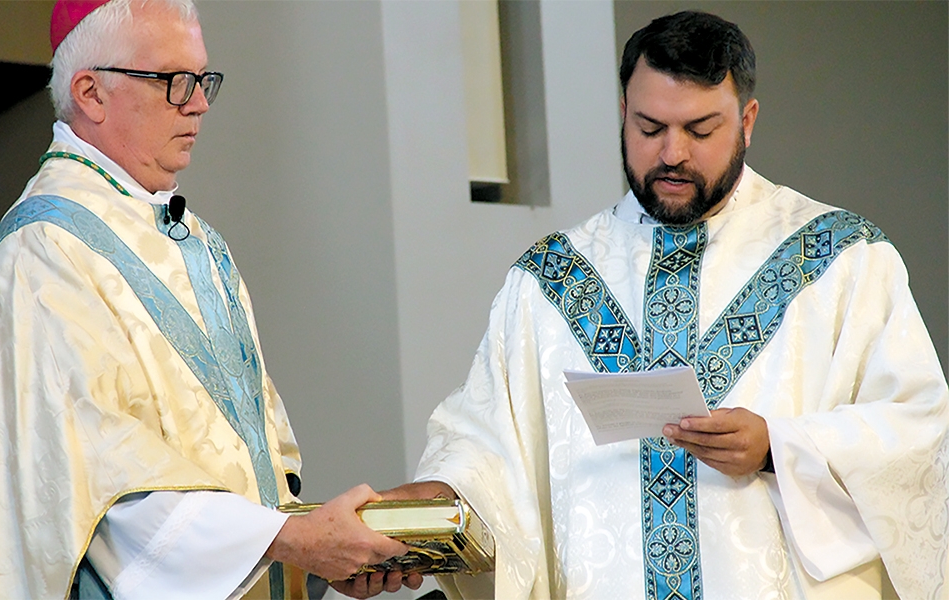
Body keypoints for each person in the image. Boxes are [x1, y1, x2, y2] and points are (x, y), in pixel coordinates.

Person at [384, 10, 949, 600]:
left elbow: (917, 428)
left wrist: (778, 448)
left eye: (700, 130)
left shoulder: (844, 261)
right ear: (623, 114)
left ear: (747, 122)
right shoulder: (548, 279)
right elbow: (488, 448)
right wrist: (431, 505)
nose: (672, 154)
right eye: (650, 128)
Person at [0, 1, 422, 598]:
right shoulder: (45, 250)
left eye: (202, 80)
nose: (197, 103)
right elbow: (98, 486)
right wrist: (296, 543)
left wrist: (324, 558)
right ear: (91, 93)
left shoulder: (195, 240)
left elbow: (260, 470)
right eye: (173, 81)